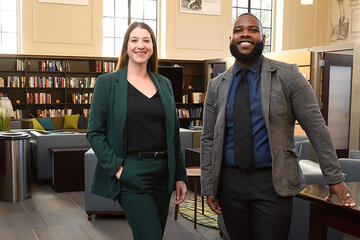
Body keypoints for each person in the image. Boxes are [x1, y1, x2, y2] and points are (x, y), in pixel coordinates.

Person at [200, 13, 355, 240]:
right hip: (230, 184)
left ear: (263, 37)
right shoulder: (217, 85)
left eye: (252, 29)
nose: (244, 34)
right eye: (238, 30)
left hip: (273, 183)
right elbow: (208, 139)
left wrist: (334, 178)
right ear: (231, 38)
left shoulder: (288, 75)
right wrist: (208, 186)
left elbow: (317, 128)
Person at [87, 22, 187, 240]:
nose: (140, 45)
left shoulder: (165, 84)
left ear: (152, 47)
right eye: (134, 40)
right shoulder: (107, 83)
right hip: (132, 172)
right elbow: (95, 132)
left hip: (163, 173)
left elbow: (173, 134)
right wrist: (120, 170)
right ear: (126, 47)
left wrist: (180, 175)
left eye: (146, 40)